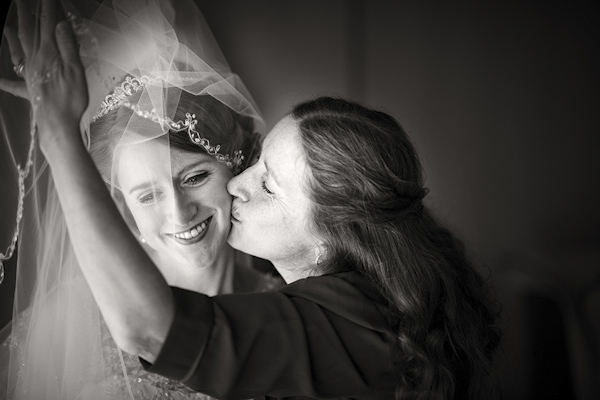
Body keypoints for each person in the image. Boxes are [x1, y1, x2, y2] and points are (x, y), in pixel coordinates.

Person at [3, 0, 502, 398]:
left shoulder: (351, 322)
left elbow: (154, 331)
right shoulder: (63, 322)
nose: (240, 180)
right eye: (258, 163)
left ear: (330, 238)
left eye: (267, 183)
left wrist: (58, 133)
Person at [0, 0, 280, 398]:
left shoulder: (287, 306)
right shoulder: (76, 313)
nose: (179, 213)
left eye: (196, 177)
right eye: (148, 195)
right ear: (122, 203)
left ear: (237, 165)